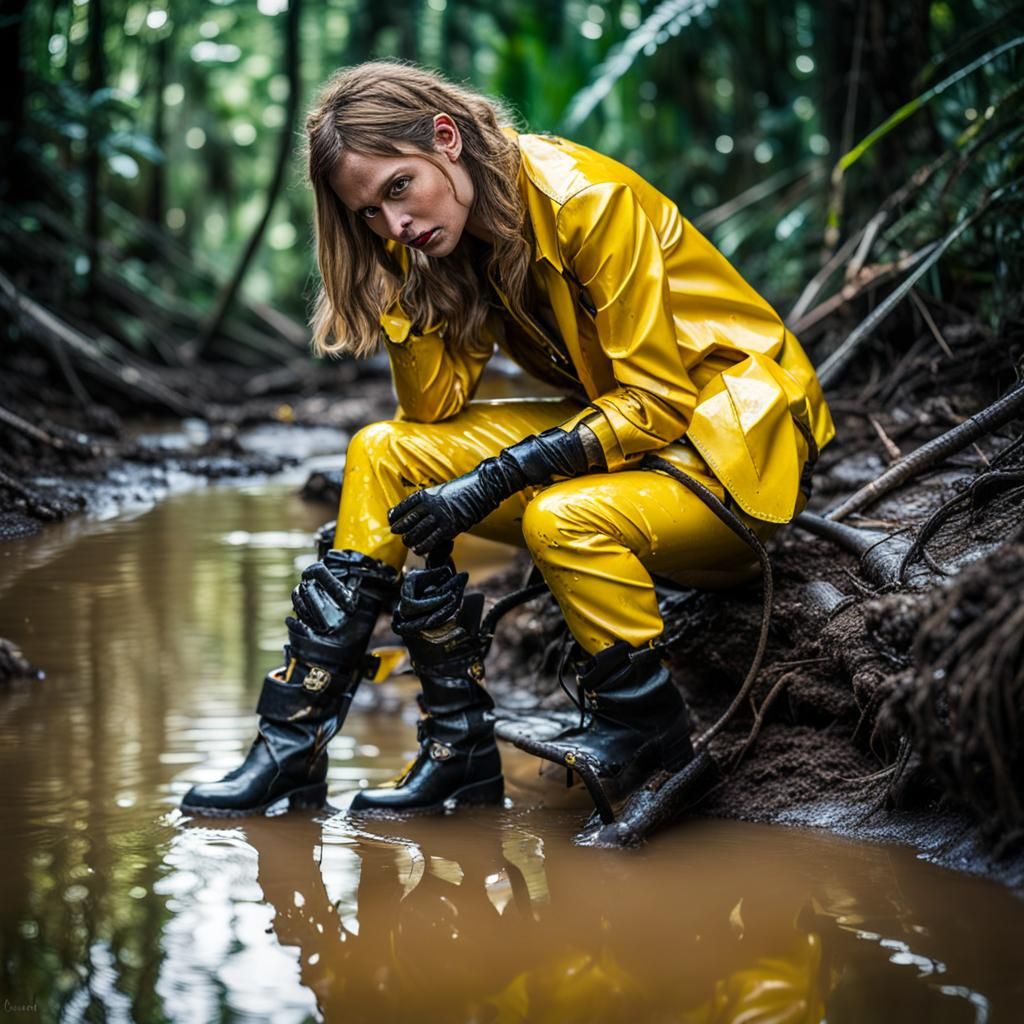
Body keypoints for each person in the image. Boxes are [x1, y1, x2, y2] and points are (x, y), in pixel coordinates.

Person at [181, 60, 834, 819]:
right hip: (641, 447)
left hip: (738, 455)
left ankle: (655, 741)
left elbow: (656, 403)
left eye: (399, 188)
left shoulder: (588, 202)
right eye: (368, 214)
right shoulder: (451, 237)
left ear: (447, 139)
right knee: (382, 453)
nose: (393, 222)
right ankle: (332, 746)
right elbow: (429, 412)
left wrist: (498, 477)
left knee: (558, 517)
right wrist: (401, 276)